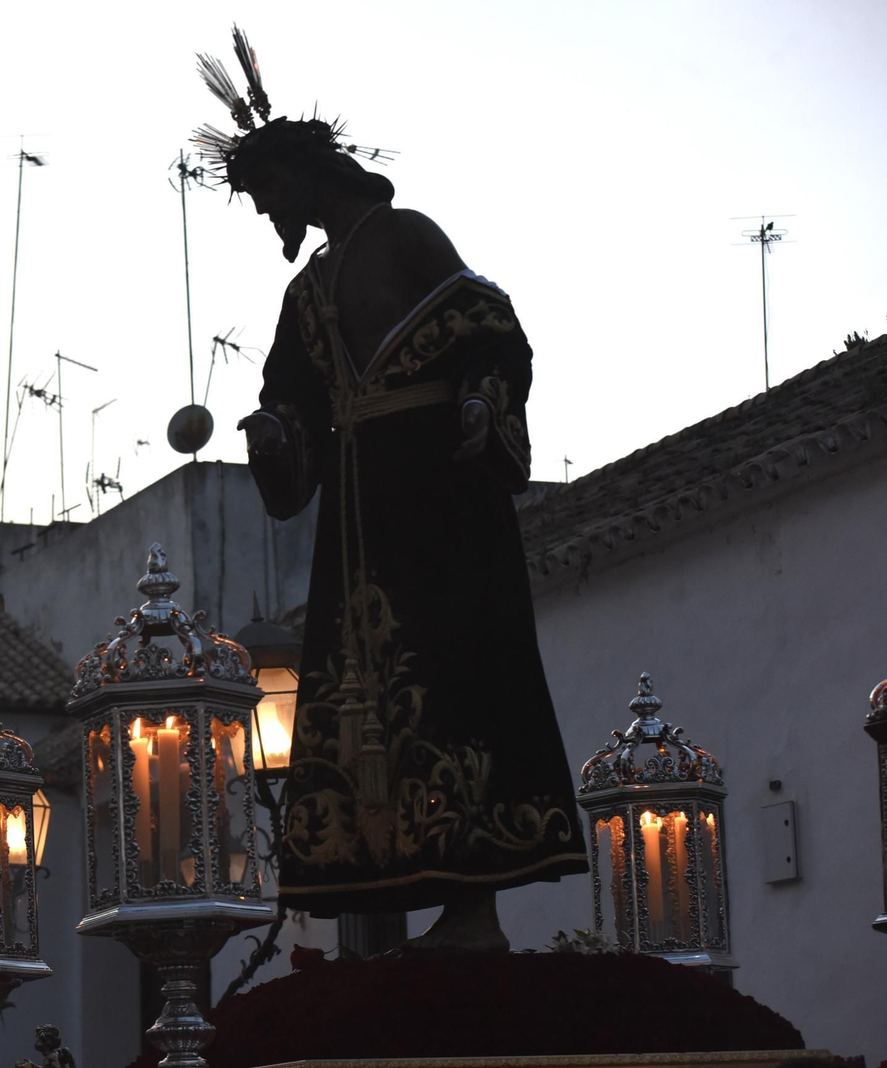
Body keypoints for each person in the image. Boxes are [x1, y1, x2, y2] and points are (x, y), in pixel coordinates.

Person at [195, 29, 587, 949]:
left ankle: (474, 911)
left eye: (267, 192)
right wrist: (275, 430)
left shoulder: (408, 236)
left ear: (304, 175)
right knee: (369, 702)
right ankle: (395, 895)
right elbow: (290, 393)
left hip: (442, 501)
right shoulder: (307, 292)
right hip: (361, 521)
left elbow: (490, 331)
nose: (267, 211)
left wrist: (481, 400)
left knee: (457, 680)